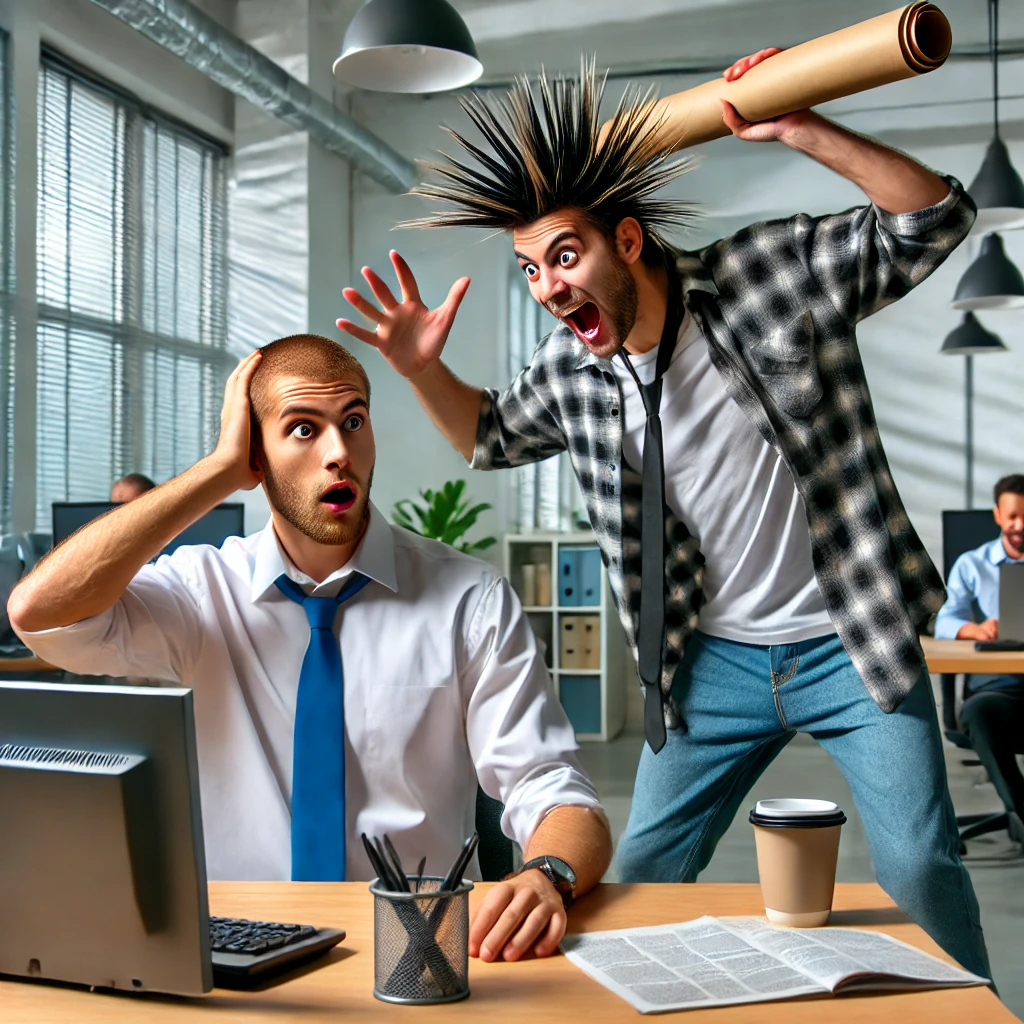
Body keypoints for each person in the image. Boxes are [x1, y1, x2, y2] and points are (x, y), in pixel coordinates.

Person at [336, 56, 991, 979]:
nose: (550, 288)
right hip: (707, 660)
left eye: (565, 256)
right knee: (639, 874)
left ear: (628, 241)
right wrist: (416, 367)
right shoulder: (572, 372)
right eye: (531, 269)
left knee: (920, 864)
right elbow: (486, 435)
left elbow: (933, 221)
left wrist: (804, 127)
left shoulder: (767, 276)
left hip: (849, 640)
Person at [7, 333, 612, 964]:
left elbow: (559, 792)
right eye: (303, 429)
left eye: (354, 421)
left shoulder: (470, 599)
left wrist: (546, 875)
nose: (339, 453)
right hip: (233, 946)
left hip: (412, 953)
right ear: (255, 454)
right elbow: (37, 612)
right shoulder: (200, 593)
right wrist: (216, 472)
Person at [935, 474, 1024, 844]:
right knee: (979, 712)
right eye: (1013, 516)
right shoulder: (973, 564)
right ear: (997, 515)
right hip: (999, 690)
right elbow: (944, 620)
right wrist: (976, 629)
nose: (1020, 526)